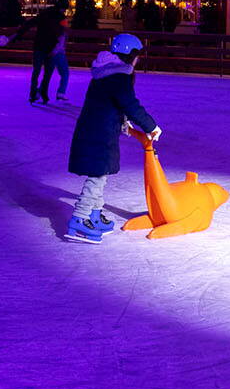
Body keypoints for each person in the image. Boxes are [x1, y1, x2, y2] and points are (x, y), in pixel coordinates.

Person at [64, 33, 161, 244]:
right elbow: (129, 103)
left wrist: (123, 122)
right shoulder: (118, 76)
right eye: (137, 56)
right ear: (130, 55)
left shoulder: (106, 72)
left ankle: (94, 214)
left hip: (97, 129)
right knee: (97, 176)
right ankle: (79, 219)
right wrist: (151, 126)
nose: (138, 60)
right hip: (100, 133)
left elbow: (112, 103)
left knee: (102, 173)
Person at [18, 2, 70, 104]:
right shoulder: (60, 17)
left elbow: (30, 23)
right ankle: (43, 94)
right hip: (50, 48)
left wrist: (18, 34)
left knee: (36, 72)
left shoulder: (44, 14)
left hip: (39, 46)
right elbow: (63, 32)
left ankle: (33, 93)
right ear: (62, 9)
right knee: (47, 74)